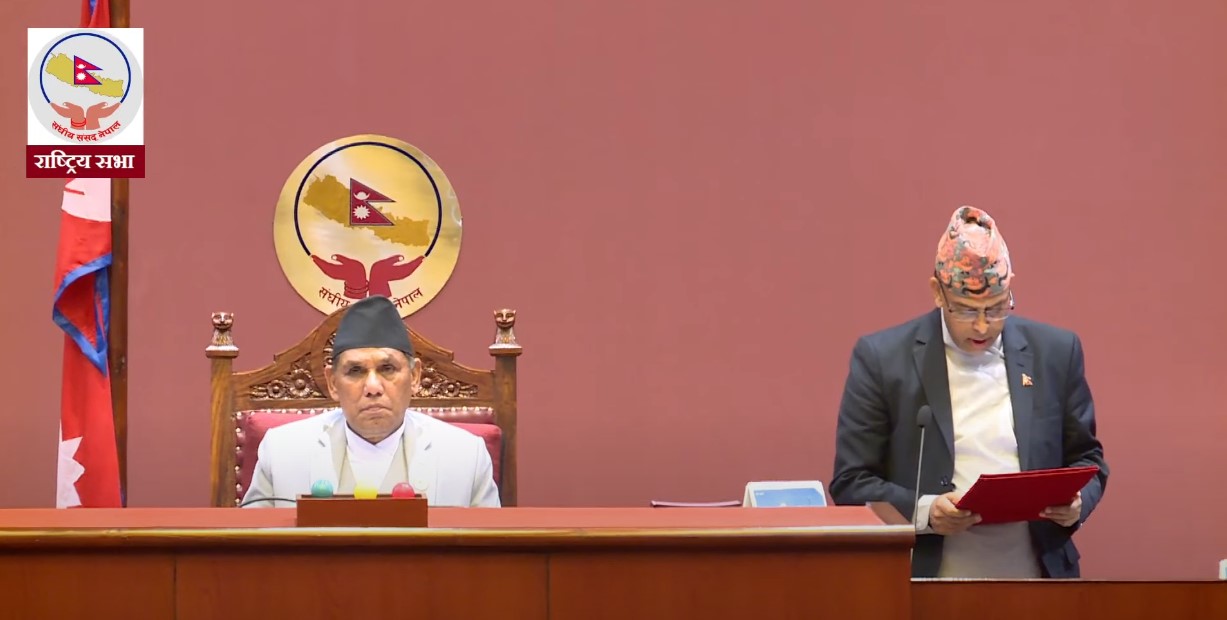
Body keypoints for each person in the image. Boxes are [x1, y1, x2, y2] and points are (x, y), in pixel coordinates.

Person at [829, 206, 1108, 578]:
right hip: (925, 577)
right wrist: (926, 511)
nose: (982, 326)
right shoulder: (883, 359)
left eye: (997, 308)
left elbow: (1088, 459)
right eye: (964, 310)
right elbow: (851, 482)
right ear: (937, 292)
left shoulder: (1054, 352)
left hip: (1037, 576)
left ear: (1011, 286)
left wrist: (1077, 503)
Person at [242, 295, 500, 508]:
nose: (373, 387)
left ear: (414, 376)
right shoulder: (281, 452)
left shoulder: (466, 456)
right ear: (332, 382)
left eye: (388, 369)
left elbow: (490, 550)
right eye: (355, 371)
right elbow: (251, 548)